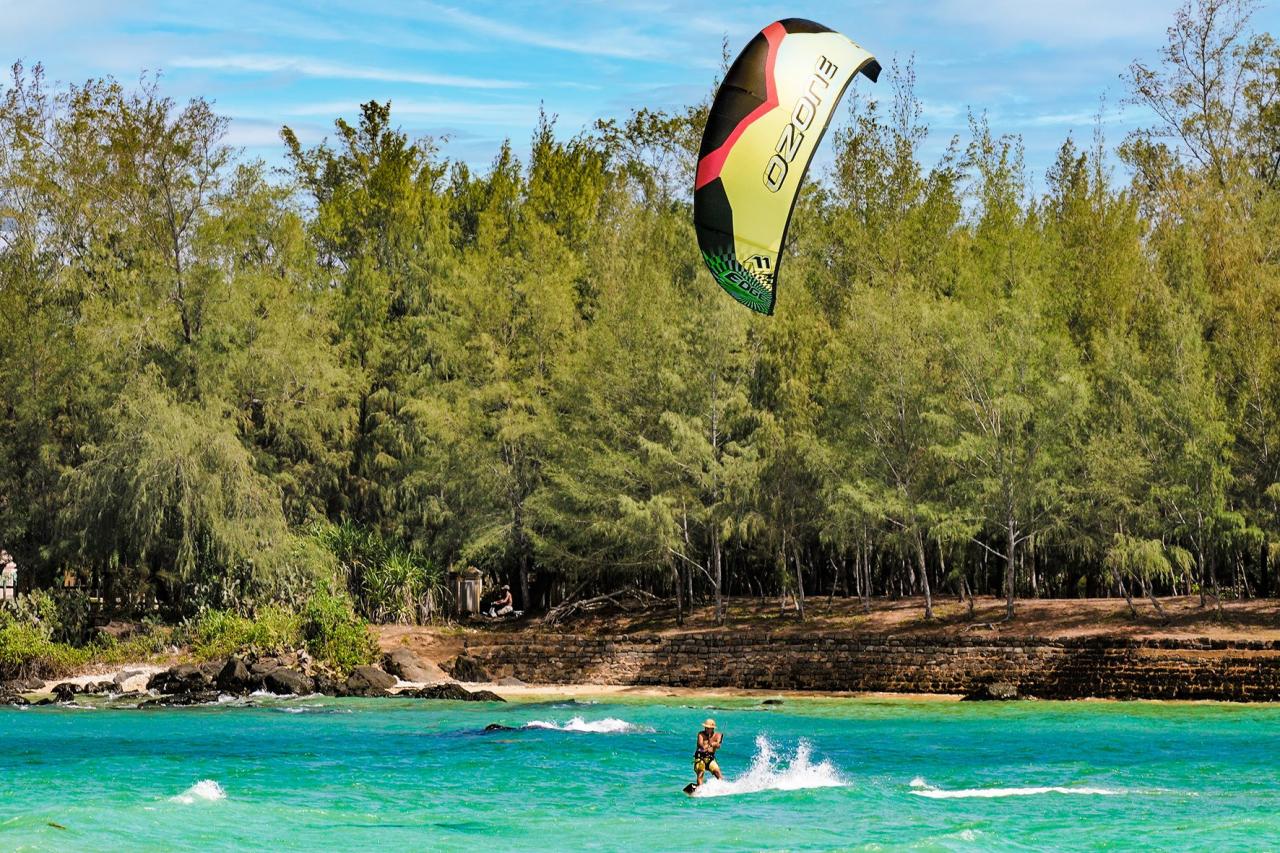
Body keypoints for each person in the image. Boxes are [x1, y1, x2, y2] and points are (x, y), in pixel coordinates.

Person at [692, 718, 724, 788]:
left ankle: (722, 787)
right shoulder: (701, 734)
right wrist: (710, 744)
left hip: (710, 758)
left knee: (717, 772)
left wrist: (716, 743)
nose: (706, 729)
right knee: (701, 773)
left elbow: (718, 745)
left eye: (708, 728)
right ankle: (700, 788)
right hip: (700, 757)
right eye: (706, 727)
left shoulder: (718, 735)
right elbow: (700, 745)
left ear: (713, 728)